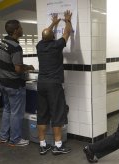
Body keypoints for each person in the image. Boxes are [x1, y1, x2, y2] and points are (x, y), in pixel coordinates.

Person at [36, 10, 72, 155]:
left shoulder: (39, 46)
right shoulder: (57, 45)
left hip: (41, 84)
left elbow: (46, 34)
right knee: (57, 113)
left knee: (42, 114)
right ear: (53, 37)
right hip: (54, 85)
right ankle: (58, 146)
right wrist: (67, 21)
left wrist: (53, 23)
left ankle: (43, 145)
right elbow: (67, 33)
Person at [0, 20, 35, 146]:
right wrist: (28, 67)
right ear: (15, 31)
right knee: (16, 113)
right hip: (14, 85)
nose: (22, 29)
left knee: (7, 110)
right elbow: (18, 69)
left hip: (3, 83)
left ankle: (4, 137)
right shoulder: (16, 47)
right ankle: (15, 139)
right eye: (20, 28)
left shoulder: (3, 43)